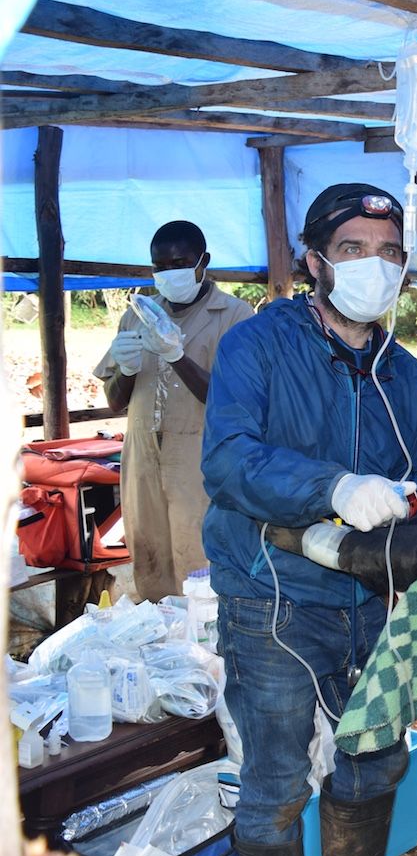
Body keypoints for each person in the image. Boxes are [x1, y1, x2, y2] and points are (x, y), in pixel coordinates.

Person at [201, 183, 417, 856]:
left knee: (374, 760)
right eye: (353, 249)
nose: (376, 265)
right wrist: (333, 487)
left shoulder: (400, 368)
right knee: (276, 782)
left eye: (390, 252)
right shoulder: (259, 344)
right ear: (314, 261)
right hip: (272, 596)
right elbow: (227, 459)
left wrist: (408, 496)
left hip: (368, 598)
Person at [94, 220, 254, 601]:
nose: (169, 273)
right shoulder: (137, 314)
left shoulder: (235, 316)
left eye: (179, 262)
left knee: (200, 562)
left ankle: (208, 651)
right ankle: (163, 651)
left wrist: (176, 355)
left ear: (203, 262)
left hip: (201, 459)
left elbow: (234, 401)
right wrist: (126, 370)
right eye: (160, 266)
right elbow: (116, 401)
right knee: (149, 559)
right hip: (143, 457)